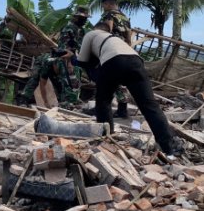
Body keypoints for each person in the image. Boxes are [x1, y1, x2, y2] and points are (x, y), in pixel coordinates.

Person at [76, 28, 182, 156]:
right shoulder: (114, 38)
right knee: (149, 105)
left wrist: (72, 58)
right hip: (136, 62)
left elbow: (82, 61)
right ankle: (168, 147)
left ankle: (106, 139)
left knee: (103, 101)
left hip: (113, 62)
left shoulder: (90, 34)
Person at [98, 0, 132, 117]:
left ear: (107, 4)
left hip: (112, 51)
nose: (103, 7)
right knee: (121, 81)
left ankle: (102, 109)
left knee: (105, 79)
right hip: (124, 51)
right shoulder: (124, 17)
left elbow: (106, 31)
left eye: (103, 5)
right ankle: (123, 110)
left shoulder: (109, 15)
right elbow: (129, 35)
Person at [53, 6, 91, 105]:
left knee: (75, 82)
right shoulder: (69, 28)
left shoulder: (81, 30)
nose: (84, 20)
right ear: (75, 17)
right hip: (67, 58)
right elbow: (63, 47)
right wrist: (68, 61)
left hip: (76, 59)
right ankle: (66, 103)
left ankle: (73, 101)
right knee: (68, 81)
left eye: (86, 19)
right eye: (83, 18)